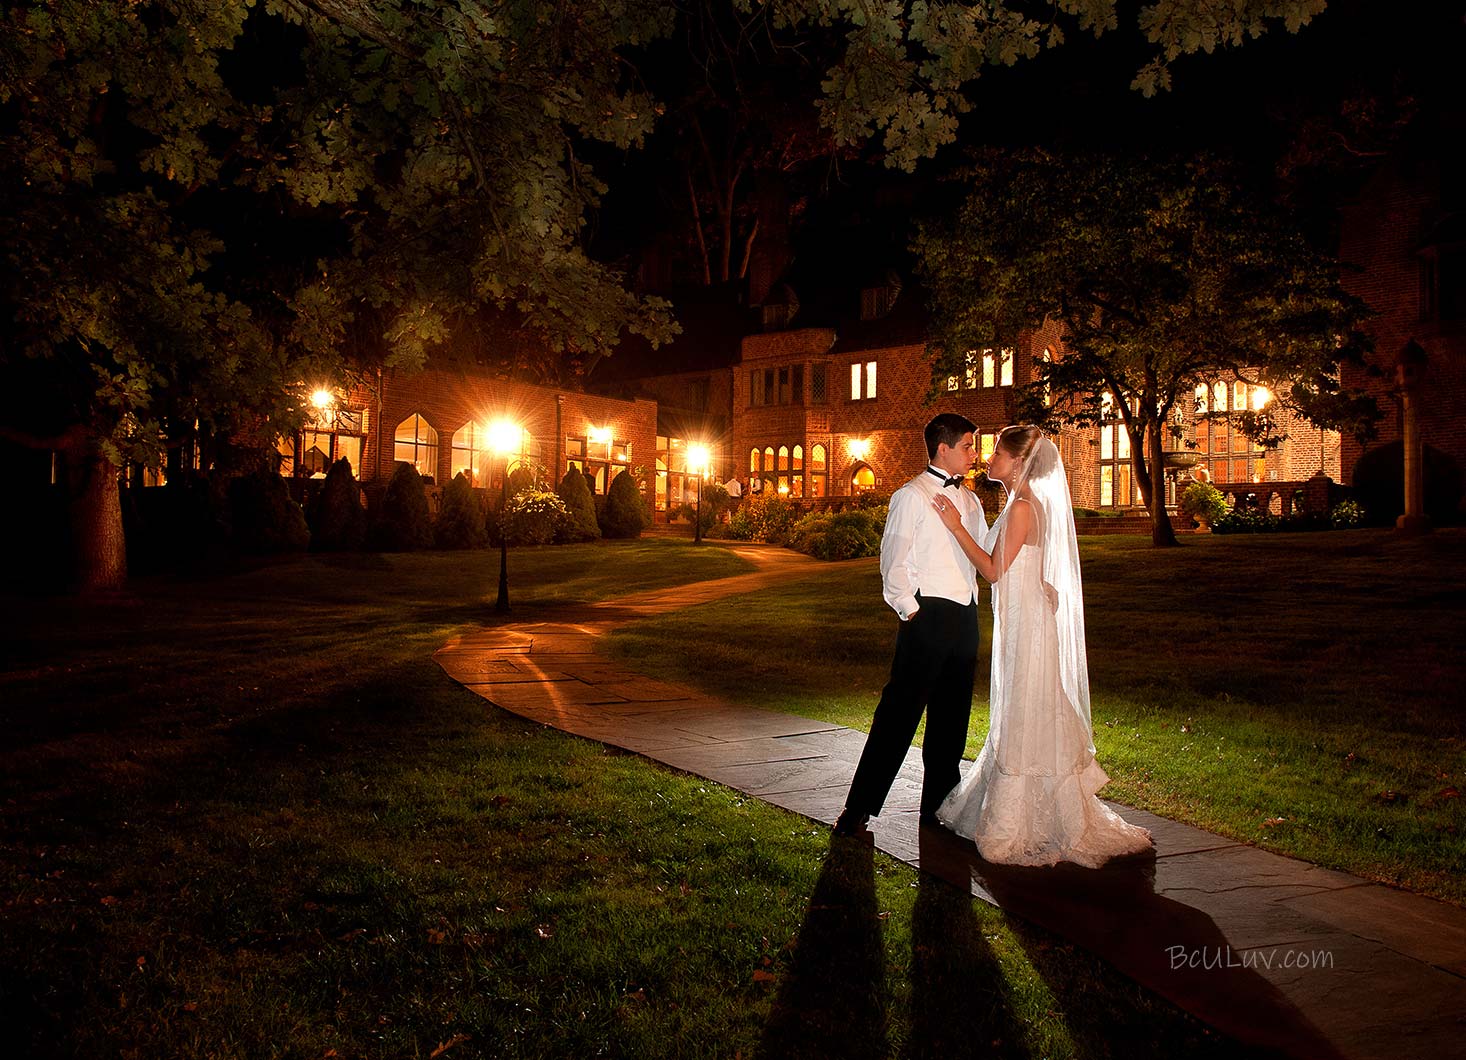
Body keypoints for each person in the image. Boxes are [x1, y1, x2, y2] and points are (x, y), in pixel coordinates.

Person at [930, 425, 1153, 867]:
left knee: (1027, 704)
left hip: (1027, 626)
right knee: (1031, 703)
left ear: (1018, 462)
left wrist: (955, 528)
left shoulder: (1022, 508)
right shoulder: (1026, 503)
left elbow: (994, 571)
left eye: (997, 452)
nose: (989, 458)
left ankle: (1019, 821)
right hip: (1026, 618)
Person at [834, 413, 988, 838]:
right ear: (944, 448)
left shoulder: (972, 501)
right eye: (968, 447)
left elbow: (985, 553)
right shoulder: (912, 496)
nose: (974, 455)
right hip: (927, 615)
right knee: (899, 714)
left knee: (952, 720)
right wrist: (909, 608)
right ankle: (858, 809)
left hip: (965, 616)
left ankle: (938, 810)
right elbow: (894, 559)